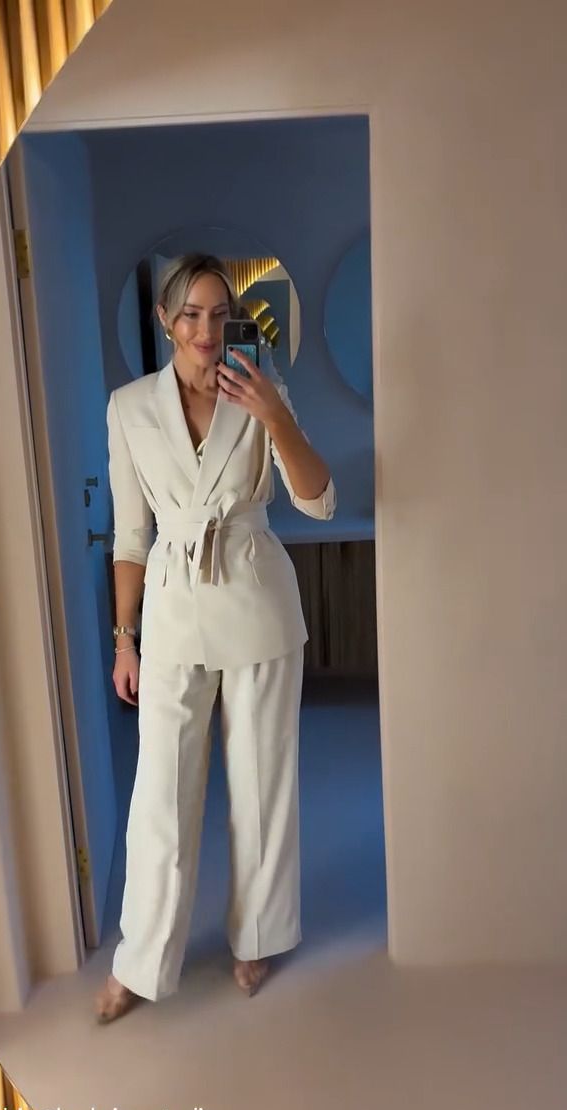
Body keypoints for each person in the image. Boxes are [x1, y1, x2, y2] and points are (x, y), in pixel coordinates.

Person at [95, 253, 335, 1023]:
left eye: (219, 314)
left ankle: (257, 936)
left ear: (234, 321)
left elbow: (321, 501)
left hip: (258, 603)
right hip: (172, 612)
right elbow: (130, 538)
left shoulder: (262, 391)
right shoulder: (130, 407)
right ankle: (141, 959)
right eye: (190, 314)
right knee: (159, 798)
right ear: (165, 322)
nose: (206, 329)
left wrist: (275, 416)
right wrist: (125, 641)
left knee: (262, 788)